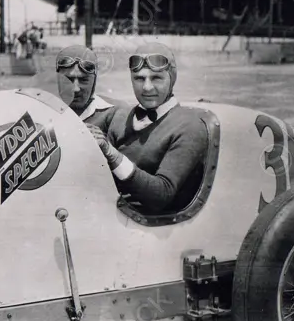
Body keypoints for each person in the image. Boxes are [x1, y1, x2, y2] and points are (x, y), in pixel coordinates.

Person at [89, 43, 207, 215]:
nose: (147, 87)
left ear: (171, 79)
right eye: (139, 78)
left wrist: (113, 155)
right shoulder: (120, 115)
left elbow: (161, 194)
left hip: (155, 227)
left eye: (156, 78)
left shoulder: (190, 126)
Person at [55, 45, 121, 130]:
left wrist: (107, 143)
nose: (75, 89)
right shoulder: (43, 111)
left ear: (94, 81)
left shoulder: (113, 114)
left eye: (83, 80)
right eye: (68, 80)